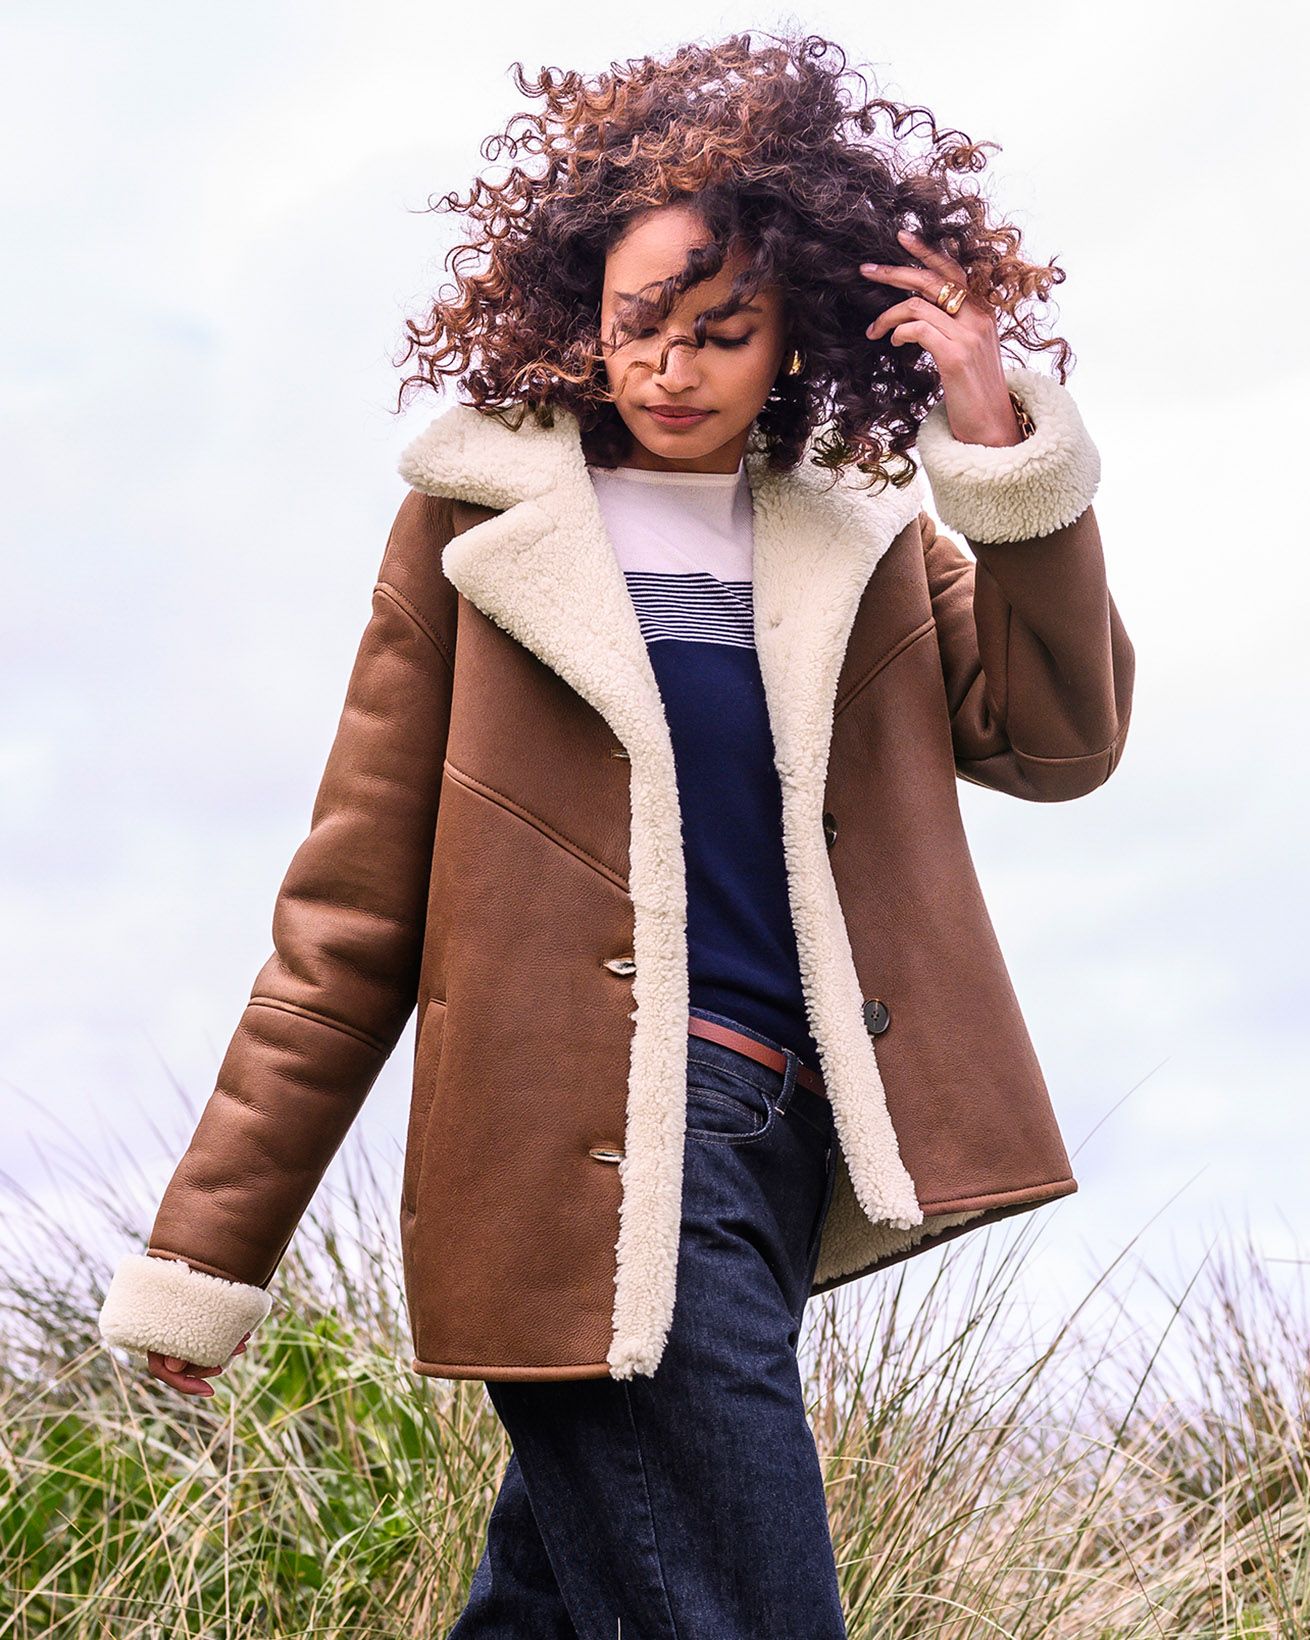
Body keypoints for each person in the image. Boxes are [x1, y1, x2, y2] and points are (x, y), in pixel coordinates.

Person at [97, 31, 1135, 1638]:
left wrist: (993, 448)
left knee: (567, 1608)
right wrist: (212, 1250)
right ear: (572, 308)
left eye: (720, 332)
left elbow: (1060, 745)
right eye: (636, 322)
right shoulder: (476, 531)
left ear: (797, 336)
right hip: (582, 1142)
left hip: (777, 1139)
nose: (667, 365)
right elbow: (351, 917)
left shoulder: (861, 534)